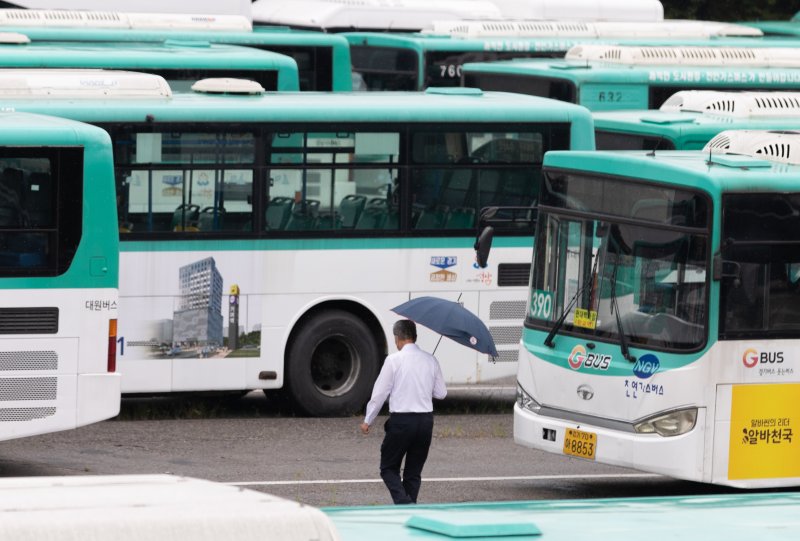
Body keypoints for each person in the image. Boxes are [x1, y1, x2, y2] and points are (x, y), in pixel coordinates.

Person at [360, 319, 447, 504]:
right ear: (415, 337)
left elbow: (379, 393)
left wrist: (368, 420)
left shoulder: (393, 360)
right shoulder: (431, 360)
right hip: (425, 422)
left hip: (401, 422)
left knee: (388, 468)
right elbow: (441, 393)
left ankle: (405, 504)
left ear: (397, 338)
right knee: (413, 473)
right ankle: (409, 509)